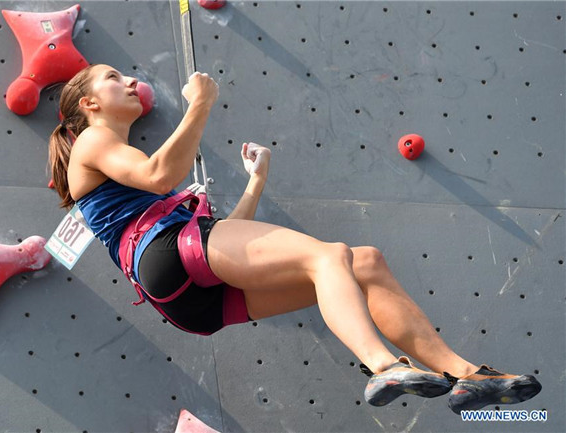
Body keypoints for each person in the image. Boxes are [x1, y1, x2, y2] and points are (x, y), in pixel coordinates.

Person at [48, 64, 541, 414]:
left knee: (362, 263)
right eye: (114, 77)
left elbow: (222, 244)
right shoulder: (92, 140)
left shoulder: (114, 162)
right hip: (172, 255)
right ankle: (383, 365)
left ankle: (466, 377)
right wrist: (200, 103)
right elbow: (160, 174)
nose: (131, 81)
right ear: (89, 103)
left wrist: (255, 181)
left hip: (191, 298)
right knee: (329, 256)